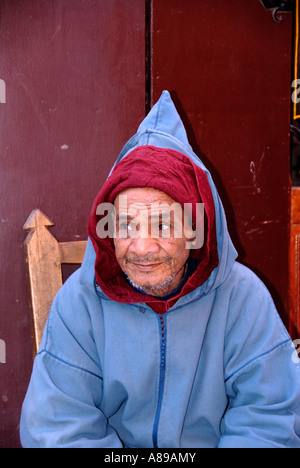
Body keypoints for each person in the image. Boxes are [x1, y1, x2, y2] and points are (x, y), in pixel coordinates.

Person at [20, 91, 300, 448]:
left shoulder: (243, 298)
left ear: (197, 230)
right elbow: (59, 428)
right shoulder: (79, 303)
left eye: (164, 225)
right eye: (124, 225)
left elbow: (269, 419)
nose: (142, 248)